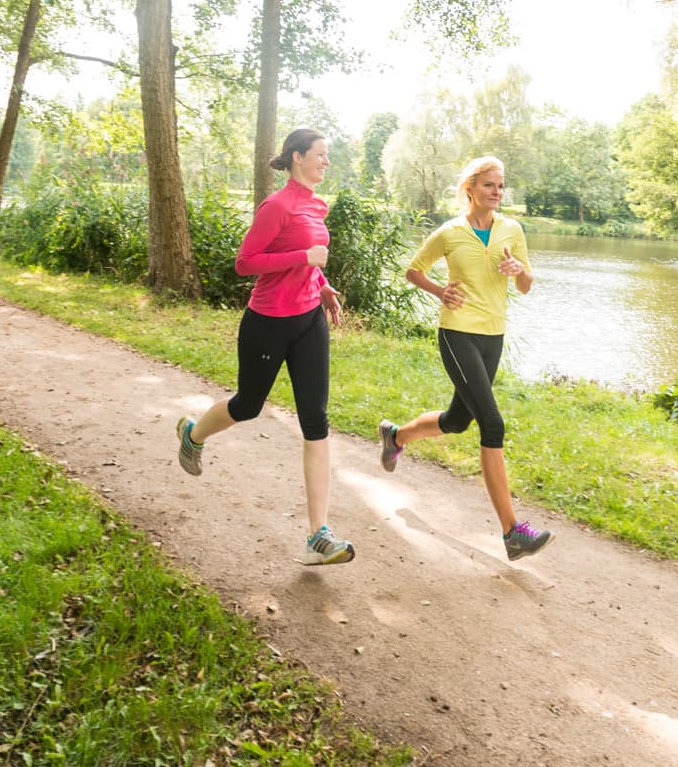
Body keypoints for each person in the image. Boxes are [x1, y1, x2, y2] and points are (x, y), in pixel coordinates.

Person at [175, 128, 355, 566]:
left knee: (316, 420)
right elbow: (245, 263)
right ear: (297, 157)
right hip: (269, 322)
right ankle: (193, 435)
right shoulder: (276, 206)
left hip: (310, 318)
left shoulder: (317, 204)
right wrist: (304, 260)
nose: (326, 163)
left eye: (327, 156)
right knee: (248, 405)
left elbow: (310, 261)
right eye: (320, 155)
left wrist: (324, 285)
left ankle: (318, 536)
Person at [377, 155, 553, 561]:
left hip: (493, 336)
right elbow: (413, 270)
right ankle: (513, 532)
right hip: (457, 333)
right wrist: (441, 292)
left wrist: (517, 270)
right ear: (470, 188)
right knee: (491, 425)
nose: (497, 192)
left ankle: (396, 436)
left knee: (458, 421)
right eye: (489, 185)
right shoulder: (450, 232)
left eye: (501, 185)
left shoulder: (512, 229)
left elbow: (526, 285)